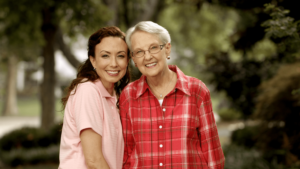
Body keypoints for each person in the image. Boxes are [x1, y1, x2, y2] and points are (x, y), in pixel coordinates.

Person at [119, 21, 225, 169]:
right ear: (134, 59)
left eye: (153, 48)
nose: (147, 57)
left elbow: (213, 155)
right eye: (139, 52)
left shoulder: (197, 90)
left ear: (167, 49)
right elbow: (126, 154)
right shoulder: (128, 96)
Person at [58, 26, 130, 169]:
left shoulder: (114, 95)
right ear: (93, 60)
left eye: (120, 55)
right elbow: (94, 160)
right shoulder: (88, 91)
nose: (114, 63)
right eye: (105, 55)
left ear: (128, 61)